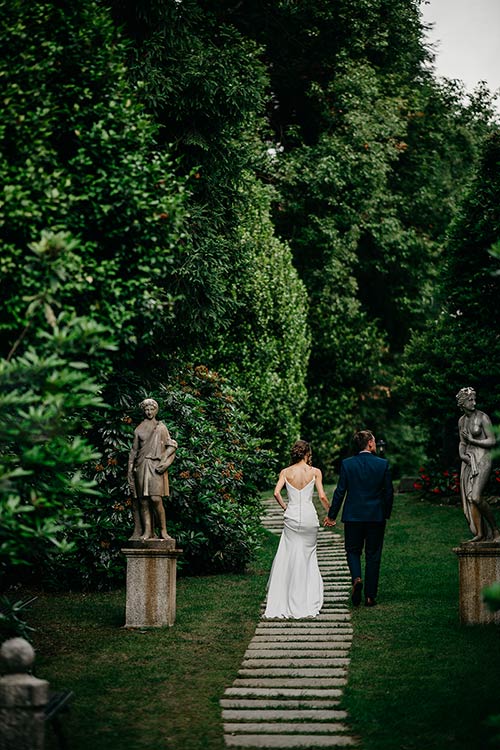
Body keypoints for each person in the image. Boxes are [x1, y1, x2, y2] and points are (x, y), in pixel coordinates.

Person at [324, 430, 393, 607]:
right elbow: (388, 493)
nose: (376, 444)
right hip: (375, 517)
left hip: (353, 516)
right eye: (375, 441)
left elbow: (340, 492)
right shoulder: (382, 464)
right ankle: (370, 596)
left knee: (353, 551)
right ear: (369, 443)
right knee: (373, 555)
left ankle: (356, 578)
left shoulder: (348, 464)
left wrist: (332, 515)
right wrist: (385, 513)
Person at [264, 440, 331, 619]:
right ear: (307, 453)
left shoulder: (285, 472)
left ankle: (286, 598)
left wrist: (286, 507)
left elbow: (276, 492)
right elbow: (322, 496)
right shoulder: (315, 472)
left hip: (292, 517)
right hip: (309, 518)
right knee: (308, 558)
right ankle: (307, 599)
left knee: (290, 556)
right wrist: (330, 514)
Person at [127, 398, 178, 540]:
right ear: (144, 411)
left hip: (156, 466)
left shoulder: (161, 427)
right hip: (142, 465)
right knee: (143, 501)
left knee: (156, 499)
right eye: (147, 409)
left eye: (152, 409)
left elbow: (171, 447)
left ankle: (163, 531)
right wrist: (130, 470)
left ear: (156, 410)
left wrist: (166, 463)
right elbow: (134, 451)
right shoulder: (139, 429)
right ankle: (148, 531)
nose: (149, 412)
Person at [456, 387, 500, 542]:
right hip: (469, 459)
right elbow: (462, 443)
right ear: (462, 403)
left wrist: (473, 441)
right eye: (470, 400)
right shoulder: (461, 421)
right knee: (469, 498)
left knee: (476, 496)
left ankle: (495, 531)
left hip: (483, 458)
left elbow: (492, 440)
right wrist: (462, 455)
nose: (474, 403)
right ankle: (480, 534)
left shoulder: (482, 417)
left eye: (474, 399)